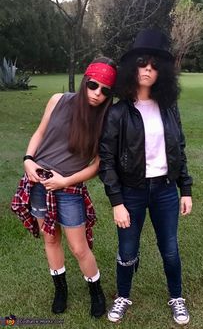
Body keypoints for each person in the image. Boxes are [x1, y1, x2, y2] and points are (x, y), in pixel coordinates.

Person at [99, 29, 193, 325]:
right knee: (127, 249)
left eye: (154, 65)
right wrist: (117, 201)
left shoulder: (169, 108)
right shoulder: (118, 113)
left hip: (165, 190)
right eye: (142, 63)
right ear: (132, 68)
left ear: (161, 71)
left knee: (170, 249)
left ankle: (176, 297)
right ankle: (123, 295)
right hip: (131, 193)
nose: (148, 69)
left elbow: (179, 148)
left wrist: (185, 189)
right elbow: (107, 160)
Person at [11, 57, 117, 318]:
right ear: (85, 81)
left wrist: (65, 181)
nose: (97, 94)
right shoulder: (58, 100)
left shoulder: (106, 120)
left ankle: (96, 291)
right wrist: (28, 160)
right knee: (50, 238)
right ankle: (60, 289)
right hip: (39, 182)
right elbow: (39, 132)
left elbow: (96, 166)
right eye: (93, 85)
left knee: (79, 247)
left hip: (69, 189)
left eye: (105, 90)